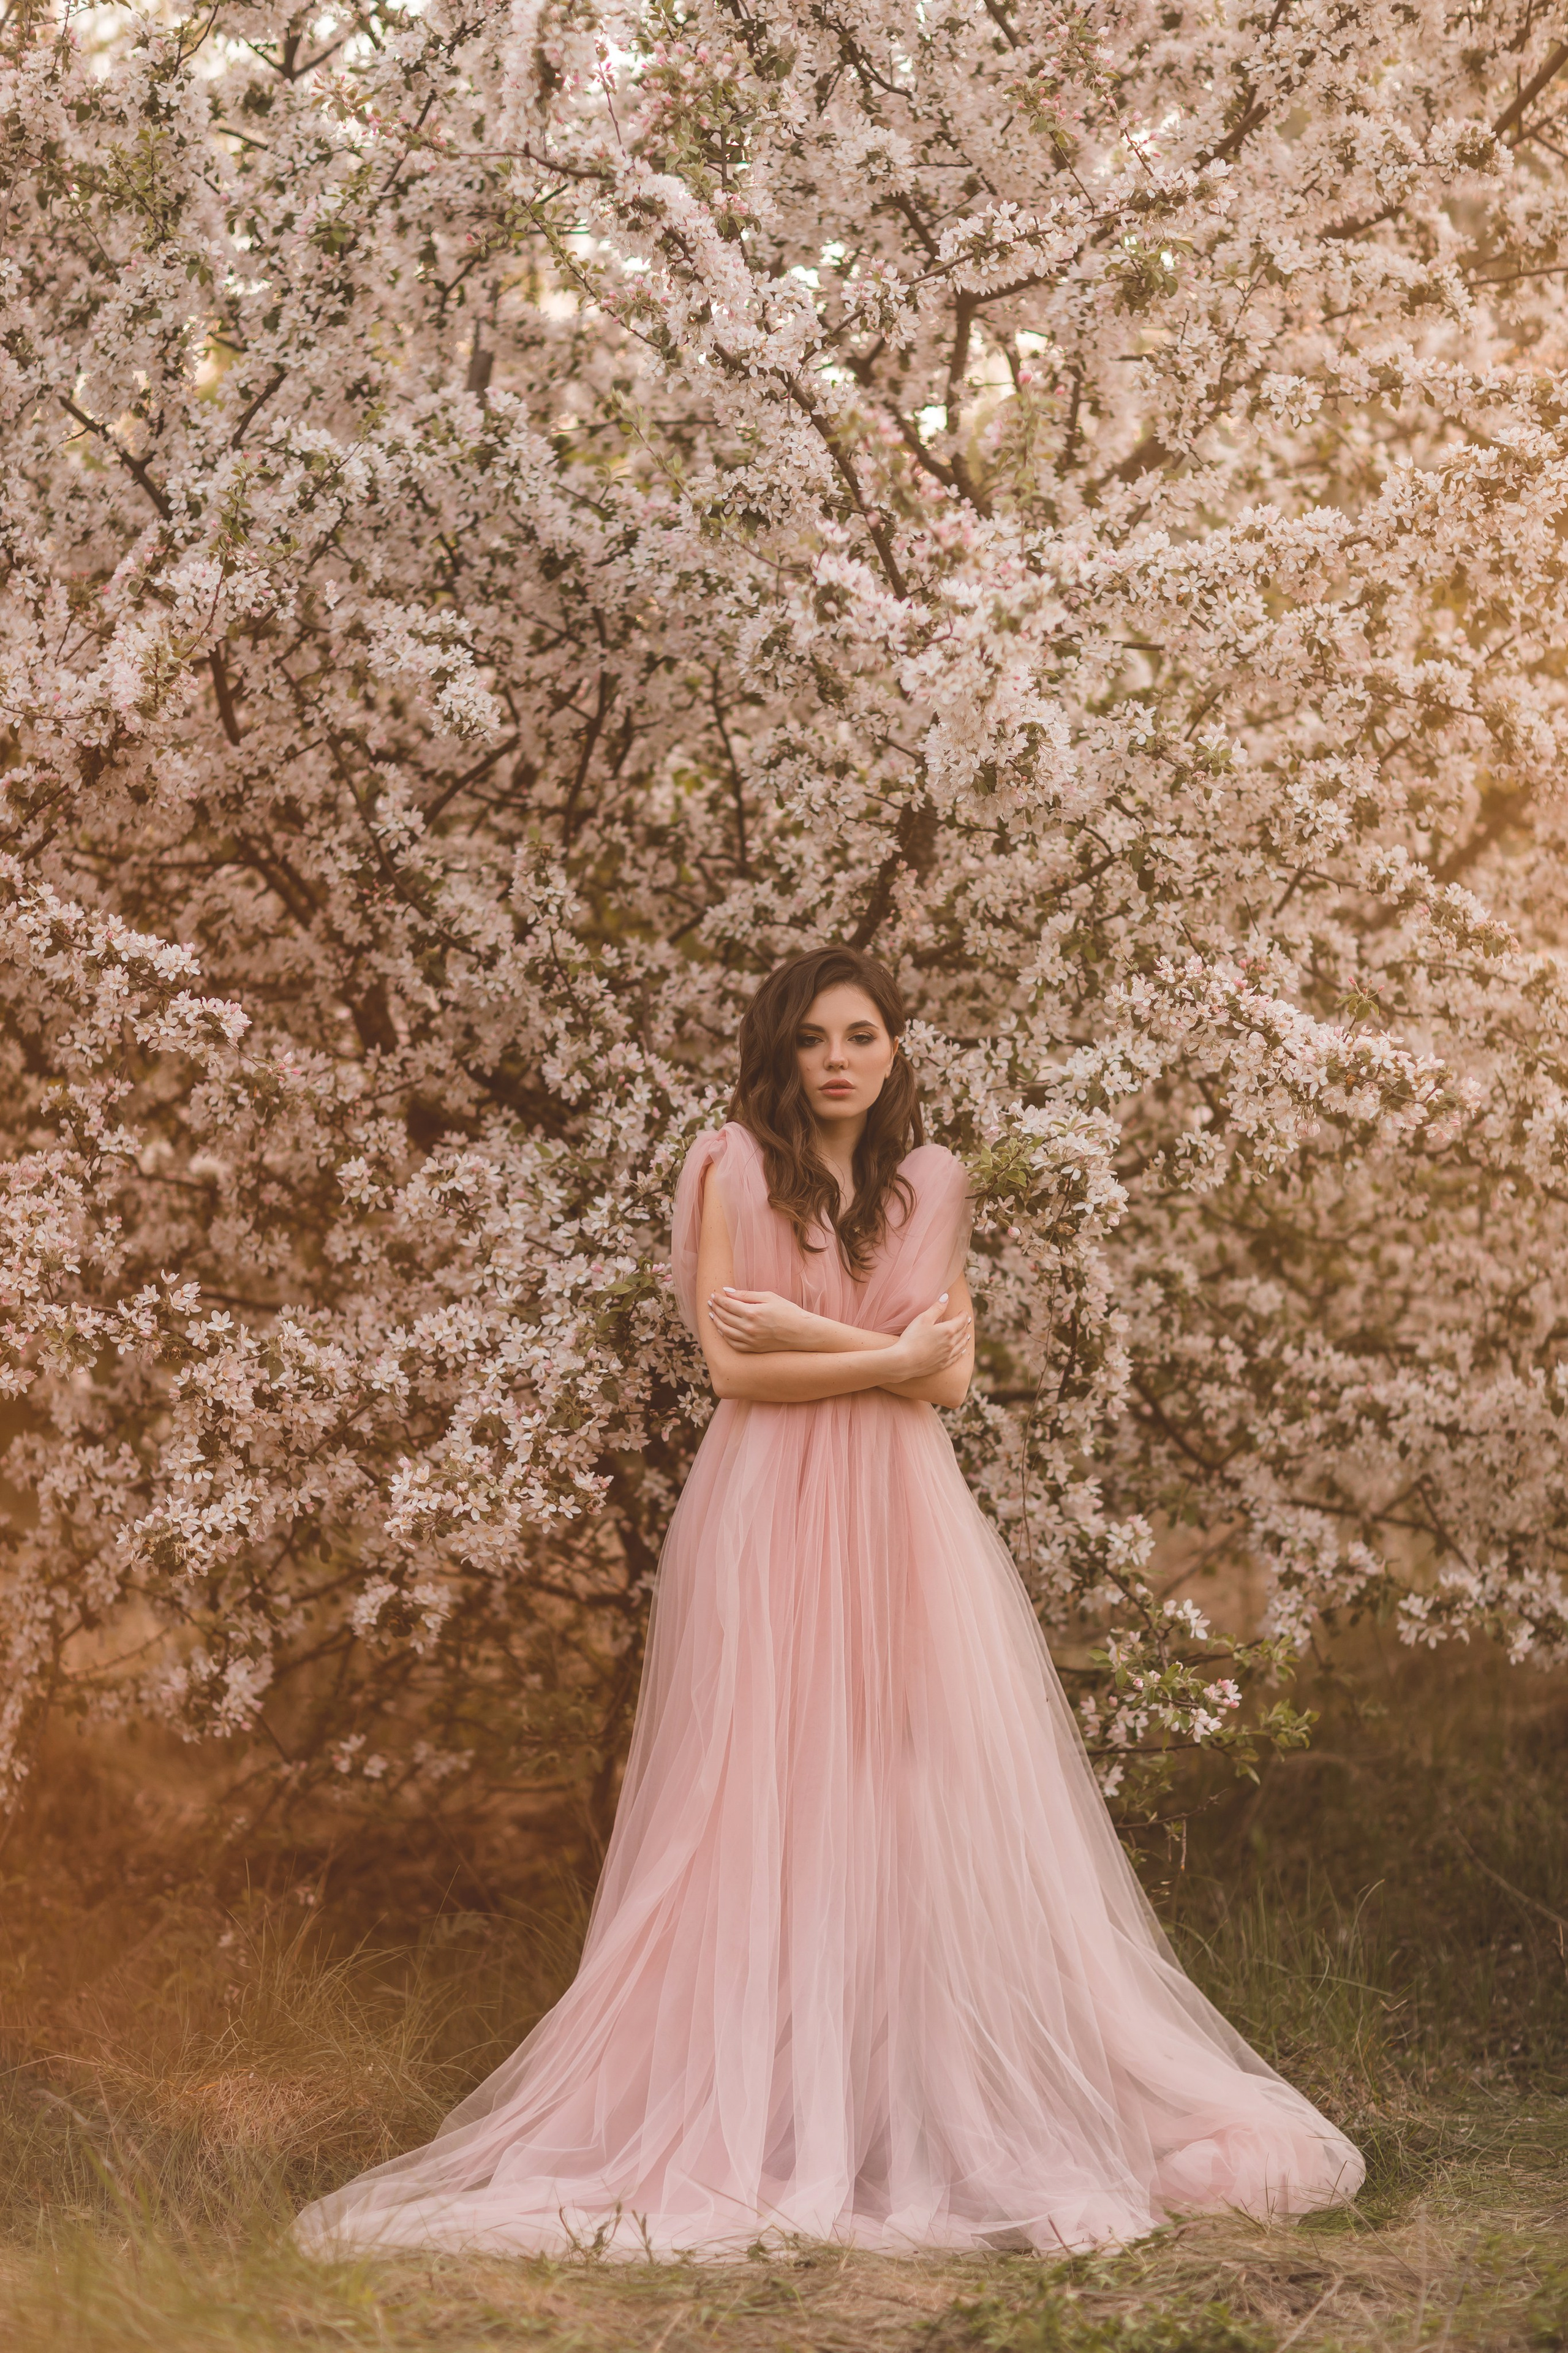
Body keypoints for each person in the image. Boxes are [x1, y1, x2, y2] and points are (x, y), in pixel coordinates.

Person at [295, 945, 1363, 2259]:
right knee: (760, 1788)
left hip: (902, 1507)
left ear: (895, 1048)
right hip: (761, 1507)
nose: (841, 1057)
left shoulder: (936, 1182)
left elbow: (946, 1388)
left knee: (908, 1787)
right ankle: (762, 2102)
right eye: (813, 1038)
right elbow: (730, 1367)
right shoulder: (727, 1164)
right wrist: (887, 1350)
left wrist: (834, 1343)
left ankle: (901, 2096)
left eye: (864, 1033)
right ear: (780, 1052)